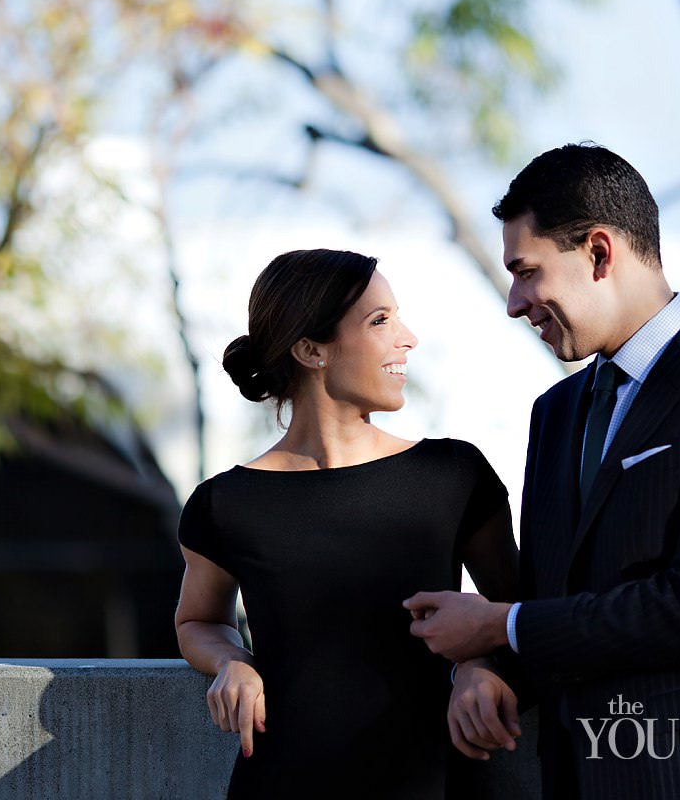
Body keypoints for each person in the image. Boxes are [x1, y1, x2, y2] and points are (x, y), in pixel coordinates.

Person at [403, 144, 680, 799]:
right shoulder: (554, 413)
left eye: (527, 271)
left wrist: (500, 625)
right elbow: (559, 597)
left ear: (597, 252)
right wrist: (486, 667)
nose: (514, 301)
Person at [174, 249, 520, 799]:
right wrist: (233, 662)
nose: (407, 337)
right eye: (380, 321)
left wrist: (480, 666)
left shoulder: (454, 474)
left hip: (442, 783)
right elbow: (197, 621)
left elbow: (522, 613)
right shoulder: (226, 503)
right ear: (311, 349)